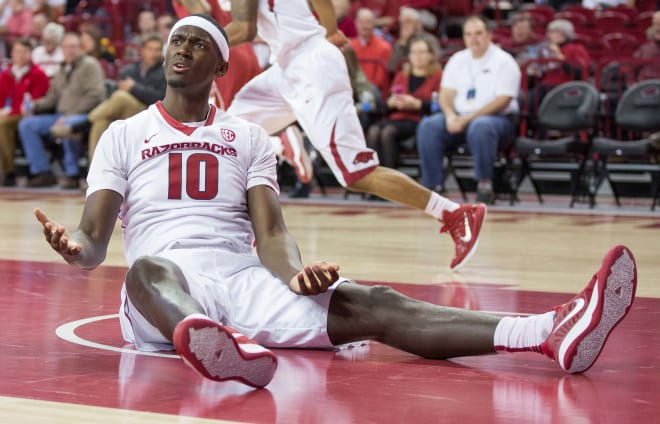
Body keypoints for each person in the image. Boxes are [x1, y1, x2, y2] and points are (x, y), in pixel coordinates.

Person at [34, 15, 638, 389]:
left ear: (222, 64)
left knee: (368, 300)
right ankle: (213, 338)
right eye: (175, 41)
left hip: (240, 276)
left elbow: (269, 234)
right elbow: (93, 247)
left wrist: (296, 274)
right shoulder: (124, 132)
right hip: (161, 292)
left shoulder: (249, 137)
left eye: (196, 42)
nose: (180, 48)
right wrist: (74, 246)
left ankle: (547, 331)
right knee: (148, 267)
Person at [225, 0, 485, 271]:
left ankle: (454, 214)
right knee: (231, 131)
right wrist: (330, 31)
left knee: (357, 174)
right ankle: (278, 148)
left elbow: (244, 28)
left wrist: (195, 37)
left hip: (312, 68)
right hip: (286, 66)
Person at [416, 16, 521, 204]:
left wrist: (467, 119)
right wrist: (449, 116)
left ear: (489, 35)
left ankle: (485, 185)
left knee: (481, 126)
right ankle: (434, 188)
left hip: (497, 120)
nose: (474, 38)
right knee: (429, 126)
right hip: (459, 118)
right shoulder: (457, 60)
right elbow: (446, 93)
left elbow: (503, 100)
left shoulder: (504, 61)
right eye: (469, 34)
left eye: (479, 33)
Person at [50, 33, 167, 163]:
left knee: (121, 97)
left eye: (157, 49)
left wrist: (134, 88)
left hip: (148, 113)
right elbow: (114, 97)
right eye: (150, 49)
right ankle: (95, 171)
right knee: (100, 121)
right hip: (124, 112)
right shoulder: (128, 70)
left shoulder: (164, 71)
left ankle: (80, 126)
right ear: (142, 50)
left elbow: (160, 99)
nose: (153, 53)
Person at [18, 31, 106, 189]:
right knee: (27, 125)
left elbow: (96, 95)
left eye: (73, 47)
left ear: (81, 48)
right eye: (65, 47)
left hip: (83, 115)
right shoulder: (62, 68)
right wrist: (34, 105)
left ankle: (72, 174)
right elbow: (52, 97)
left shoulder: (90, 65)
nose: (69, 51)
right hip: (59, 115)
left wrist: (70, 115)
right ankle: (42, 171)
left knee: (68, 124)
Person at [366, 34, 442, 170]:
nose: (417, 56)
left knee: (387, 132)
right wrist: (392, 103)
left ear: (431, 55)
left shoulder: (438, 75)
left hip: (419, 120)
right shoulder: (402, 75)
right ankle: (376, 182)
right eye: (414, 52)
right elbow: (386, 105)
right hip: (397, 117)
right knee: (373, 130)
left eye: (422, 52)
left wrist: (416, 104)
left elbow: (438, 105)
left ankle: (391, 182)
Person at [0, 38, 50, 186]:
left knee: (2, 125)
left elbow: (35, 101)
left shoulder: (38, 74)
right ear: (12, 53)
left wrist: (7, 112)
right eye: (17, 51)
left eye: (24, 52)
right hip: (7, 114)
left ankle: (8, 171)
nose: (20, 55)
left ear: (30, 54)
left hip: (26, 115)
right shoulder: (6, 75)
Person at [633, 11, 660, 81]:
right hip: (645, 89)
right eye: (655, 24)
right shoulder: (644, 49)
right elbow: (631, 70)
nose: (658, 28)